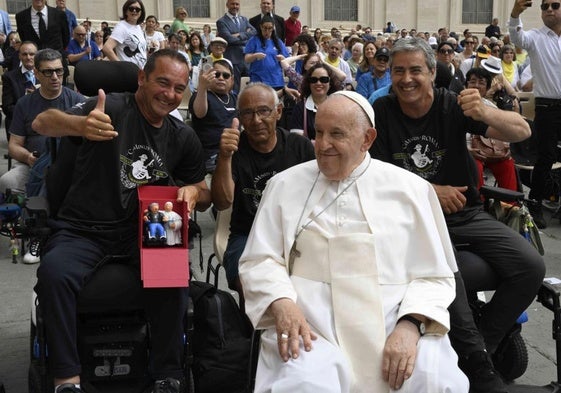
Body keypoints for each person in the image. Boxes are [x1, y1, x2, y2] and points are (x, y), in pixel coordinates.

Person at [239, 90, 469, 393]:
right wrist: (282, 303)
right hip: (310, 322)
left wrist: (411, 324)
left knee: (433, 378)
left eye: (336, 134)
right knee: (304, 383)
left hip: (393, 320)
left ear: (368, 138)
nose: (322, 145)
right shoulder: (283, 185)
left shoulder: (411, 190)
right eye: (319, 132)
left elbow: (435, 276)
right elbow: (259, 260)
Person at [370, 37, 545, 393]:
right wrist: (429, 192)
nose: (406, 79)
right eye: (398, 70)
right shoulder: (383, 111)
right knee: (449, 275)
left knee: (532, 266)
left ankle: (482, 347)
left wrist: (487, 112)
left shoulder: (454, 106)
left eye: (415, 70)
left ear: (432, 73)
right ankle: (480, 370)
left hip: (466, 214)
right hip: (412, 221)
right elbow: (372, 174)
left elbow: (522, 131)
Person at [31, 49, 211, 393]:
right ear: (142, 79)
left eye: (178, 88)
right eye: (162, 82)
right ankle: (66, 379)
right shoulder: (110, 108)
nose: (170, 95)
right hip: (83, 227)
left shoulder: (182, 136)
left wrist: (192, 192)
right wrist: (79, 125)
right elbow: (42, 123)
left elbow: (204, 192)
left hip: (149, 227)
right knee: (54, 272)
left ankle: (167, 375)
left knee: (175, 274)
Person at [211, 82, 315, 302]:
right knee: (251, 286)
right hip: (247, 234)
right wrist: (225, 157)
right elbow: (222, 202)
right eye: (247, 113)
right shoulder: (235, 149)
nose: (256, 120)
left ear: (278, 112)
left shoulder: (299, 146)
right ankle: (249, 335)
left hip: (296, 232)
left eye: (263, 111)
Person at [0, 48, 84, 197]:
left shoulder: (78, 101)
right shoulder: (24, 104)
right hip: (32, 165)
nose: (54, 77)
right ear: (37, 74)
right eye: (48, 72)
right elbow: (14, 146)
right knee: (7, 181)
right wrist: (27, 157)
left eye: (59, 71)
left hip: (69, 166)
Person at [509, 0, 561, 228]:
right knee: (546, 157)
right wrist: (515, 13)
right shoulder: (536, 38)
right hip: (547, 107)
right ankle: (536, 202)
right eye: (544, 6)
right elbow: (517, 39)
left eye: (555, 5)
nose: (549, 9)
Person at [466, 67, 518, 191]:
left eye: (482, 83)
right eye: (472, 81)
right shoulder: (456, 102)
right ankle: (478, 203)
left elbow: (502, 130)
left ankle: (510, 205)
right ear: (466, 84)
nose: (477, 86)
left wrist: (504, 149)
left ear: (487, 88)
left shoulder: (491, 107)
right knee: (474, 165)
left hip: (490, 149)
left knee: (507, 163)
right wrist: (466, 150)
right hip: (468, 151)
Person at [190, 59, 237, 172]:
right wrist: (202, 87)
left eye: (226, 75)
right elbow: (200, 113)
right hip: (211, 156)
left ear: (232, 80)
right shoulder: (201, 95)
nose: (221, 78)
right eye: (216, 74)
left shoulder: (234, 98)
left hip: (234, 152)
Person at [289, 63, 342, 139]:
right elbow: (297, 141)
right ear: (309, 83)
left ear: (330, 83)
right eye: (313, 80)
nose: (318, 83)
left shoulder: (338, 107)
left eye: (324, 79)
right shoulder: (300, 108)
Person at [216, 0, 257, 94]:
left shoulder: (244, 19)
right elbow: (229, 39)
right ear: (227, 5)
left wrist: (239, 34)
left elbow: (254, 32)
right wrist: (246, 36)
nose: (235, 6)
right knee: (235, 88)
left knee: (249, 86)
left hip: (246, 59)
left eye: (237, 4)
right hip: (233, 59)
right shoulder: (221, 22)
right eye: (232, 4)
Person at [2, 41, 38, 138]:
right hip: (18, 122)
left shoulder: (46, 74)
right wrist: (28, 117)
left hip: (42, 122)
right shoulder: (9, 77)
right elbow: (7, 107)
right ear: (19, 56)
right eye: (24, 54)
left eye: (32, 54)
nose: (28, 57)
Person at [244, 15, 289, 90]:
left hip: (275, 80)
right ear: (261, 27)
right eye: (265, 28)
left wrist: (282, 58)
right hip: (258, 81)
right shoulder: (254, 40)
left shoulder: (278, 42)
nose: (267, 31)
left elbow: (287, 60)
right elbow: (246, 59)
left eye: (270, 28)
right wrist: (255, 56)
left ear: (273, 28)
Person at [102, 0, 147, 68]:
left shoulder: (138, 27)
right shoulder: (122, 27)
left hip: (141, 72)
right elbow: (107, 48)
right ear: (126, 11)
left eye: (137, 9)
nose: (134, 11)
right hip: (129, 74)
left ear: (141, 12)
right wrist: (122, 67)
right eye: (131, 9)